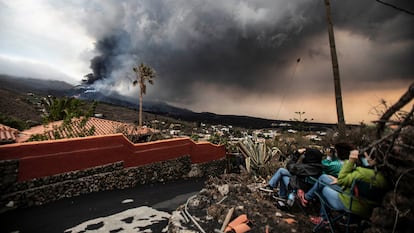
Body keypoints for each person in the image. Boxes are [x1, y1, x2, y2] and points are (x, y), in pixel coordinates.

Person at [308, 149, 389, 225]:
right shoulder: (385, 179)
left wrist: (351, 161)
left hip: (351, 205)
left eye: (365, 156)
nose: (364, 158)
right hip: (367, 209)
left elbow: (342, 179)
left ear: (373, 159)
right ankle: (307, 199)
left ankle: (323, 218)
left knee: (324, 188)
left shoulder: (363, 173)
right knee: (324, 178)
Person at [297, 142, 353, 207]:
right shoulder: (348, 163)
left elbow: (323, 165)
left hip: (342, 189)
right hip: (345, 186)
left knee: (323, 180)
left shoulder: (336, 165)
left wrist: (328, 157)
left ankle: (306, 198)